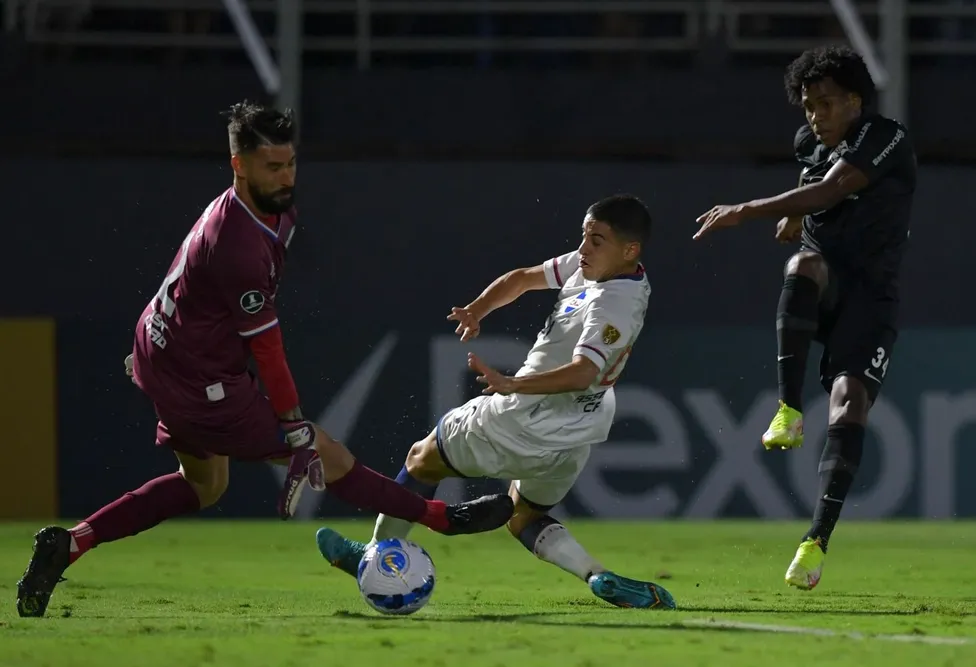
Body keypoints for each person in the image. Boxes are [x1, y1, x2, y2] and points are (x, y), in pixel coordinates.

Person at [15, 101, 513, 618]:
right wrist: (294, 426)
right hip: (200, 379)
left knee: (204, 486)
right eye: (272, 167)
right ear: (238, 165)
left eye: (291, 163)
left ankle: (69, 543)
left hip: (167, 350)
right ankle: (441, 518)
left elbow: (186, 282)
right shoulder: (237, 244)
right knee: (328, 451)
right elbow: (266, 347)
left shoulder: (266, 209)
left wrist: (158, 351)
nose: (285, 176)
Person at [315, 194, 675, 610]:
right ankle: (598, 575)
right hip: (578, 432)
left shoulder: (615, 304)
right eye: (584, 236)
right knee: (524, 516)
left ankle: (374, 554)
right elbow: (523, 278)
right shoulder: (595, 266)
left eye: (596, 240)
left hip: (525, 415)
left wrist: (512, 385)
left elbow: (583, 372)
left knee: (422, 458)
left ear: (630, 250)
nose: (583, 248)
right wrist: (477, 309)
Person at [693, 45, 916, 590]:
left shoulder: (884, 137)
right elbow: (814, 176)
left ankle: (815, 542)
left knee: (850, 402)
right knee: (805, 263)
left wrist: (751, 209)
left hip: (871, 297)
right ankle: (789, 409)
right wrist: (796, 208)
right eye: (808, 105)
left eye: (826, 103)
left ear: (855, 101)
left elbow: (834, 187)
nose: (816, 115)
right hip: (827, 279)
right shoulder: (810, 142)